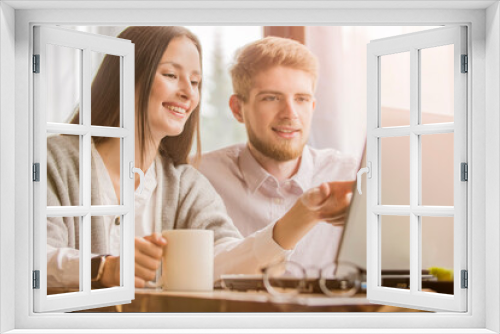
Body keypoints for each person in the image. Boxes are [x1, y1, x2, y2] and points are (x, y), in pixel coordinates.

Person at [46, 27, 348, 289]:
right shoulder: (55, 161)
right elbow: (28, 257)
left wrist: (303, 215)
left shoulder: (185, 183)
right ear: (126, 77)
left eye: (195, 82)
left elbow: (223, 260)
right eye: (171, 75)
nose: (188, 93)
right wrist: (105, 268)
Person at [198, 36, 358, 270]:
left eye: (301, 99)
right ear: (237, 109)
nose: (290, 113)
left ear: (312, 107)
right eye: (271, 98)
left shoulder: (352, 175)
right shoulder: (199, 178)